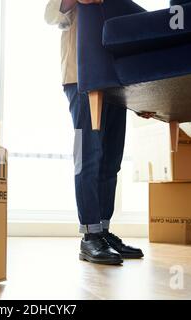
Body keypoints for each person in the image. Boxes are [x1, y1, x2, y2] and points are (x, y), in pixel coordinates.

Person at [45, 0, 144, 265]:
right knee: (87, 157)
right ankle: (90, 236)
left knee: (111, 160)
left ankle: (103, 230)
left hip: (114, 80)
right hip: (80, 79)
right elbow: (50, 14)